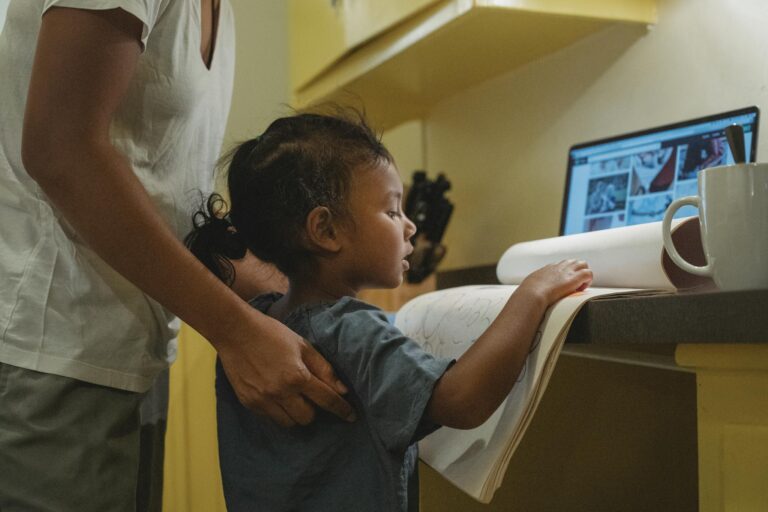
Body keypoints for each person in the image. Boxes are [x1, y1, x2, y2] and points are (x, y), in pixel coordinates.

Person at [0, 2, 352, 511]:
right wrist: (236, 331)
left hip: (130, 357)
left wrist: (306, 301)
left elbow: (170, 202)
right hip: (48, 351)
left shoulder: (220, 13)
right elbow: (62, 151)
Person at [186, 110, 593, 512]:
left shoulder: (259, 324)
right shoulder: (350, 329)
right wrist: (532, 294)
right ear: (326, 231)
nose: (410, 226)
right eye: (393, 210)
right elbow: (462, 401)